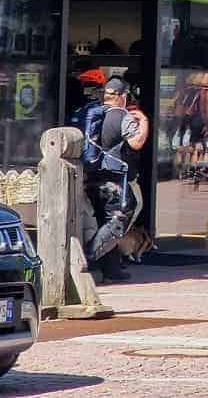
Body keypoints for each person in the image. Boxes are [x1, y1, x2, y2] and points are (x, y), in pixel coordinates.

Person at [84, 77, 148, 282]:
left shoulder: (93, 113)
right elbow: (136, 143)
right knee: (119, 218)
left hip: (94, 176)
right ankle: (86, 258)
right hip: (115, 179)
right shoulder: (123, 116)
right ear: (122, 96)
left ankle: (111, 270)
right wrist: (144, 122)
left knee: (104, 220)